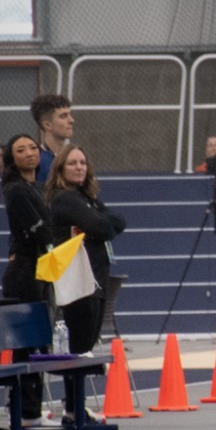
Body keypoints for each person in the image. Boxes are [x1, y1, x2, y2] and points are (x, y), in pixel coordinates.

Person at [46, 144, 125, 355]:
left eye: (82, 163)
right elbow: (103, 227)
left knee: (88, 347)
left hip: (97, 279)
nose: (79, 167)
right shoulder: (64, 199)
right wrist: (101, 223)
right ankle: (75, 388)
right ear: (60, 169)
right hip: (79, 283)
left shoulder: (88, 198)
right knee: (79, 349)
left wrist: (101, 222)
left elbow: (118, 221)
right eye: (72, 163)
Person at [0, 134, 53, 417]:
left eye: (33, 147)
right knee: (27, 343)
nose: (30, 153)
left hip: (39, 269)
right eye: (21, 150)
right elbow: (41, 231)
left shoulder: (38, 187)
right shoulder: (17, 190)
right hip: (24, 273)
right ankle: (25, 408)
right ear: (12, 158)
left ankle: (31, 406)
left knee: (39, 341)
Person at [31, 93, 75, 185]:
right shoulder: (38, 162)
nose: (71, 120)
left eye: (70, 115)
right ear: (47, 125)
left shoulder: (75, 158)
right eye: (63, 116)